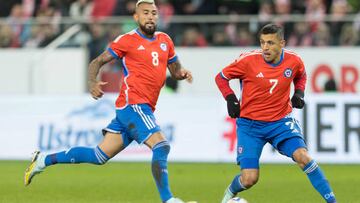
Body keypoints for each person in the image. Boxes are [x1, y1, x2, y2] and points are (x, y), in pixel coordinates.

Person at [24, 1, 193, 203]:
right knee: (162, 145)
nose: (150, 16)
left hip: (138, 107)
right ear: (136, 18)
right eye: (145, 13)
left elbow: (174, 70)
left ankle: (43, 160)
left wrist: (181, 73)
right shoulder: (127, 40)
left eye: (154, 13)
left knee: (99, 156)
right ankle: (168, 200)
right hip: (134, 104)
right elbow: (97, 62)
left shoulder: (165, 40)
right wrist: (92, 82)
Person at [215, 24, 337, 203]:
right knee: (249, 179)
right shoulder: (247, 61)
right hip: (250, 125)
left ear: (282, 43)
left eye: (270, 43)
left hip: (280, 122)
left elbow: (301, 75)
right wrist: (230, 98)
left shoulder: (294, 61)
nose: (265, 47)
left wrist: (299, 93)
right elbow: (221, 77)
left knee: (303, 157)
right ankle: (229, 194)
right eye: (262, 42)